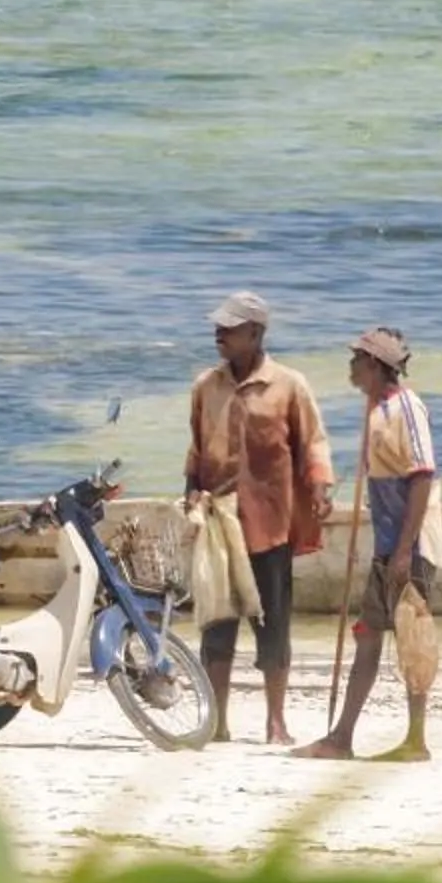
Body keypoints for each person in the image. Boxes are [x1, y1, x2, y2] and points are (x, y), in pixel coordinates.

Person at [183, 292, 331, 744]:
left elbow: (314, 444)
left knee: (273, 624)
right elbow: (196, 451)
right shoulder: (206, 386)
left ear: (256, 333)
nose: (219, 334)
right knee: (217, 625)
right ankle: (218, 722)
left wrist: (321, 488)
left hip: (271, 523)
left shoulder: (288, 385)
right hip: (219, 521)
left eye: (229, 328)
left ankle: (276, 722)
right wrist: (190, 493)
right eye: (218, 327)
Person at [298, 326, 442, 762]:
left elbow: (421, 477)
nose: (351, 366)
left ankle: (416, 740)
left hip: (411, 547)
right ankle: (341, 738)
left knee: (412, 639)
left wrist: (403, 550)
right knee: (367, 637)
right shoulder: (375, 408)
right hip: (388, 546)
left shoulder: (407, 407)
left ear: (376, 366)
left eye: (357, 360)